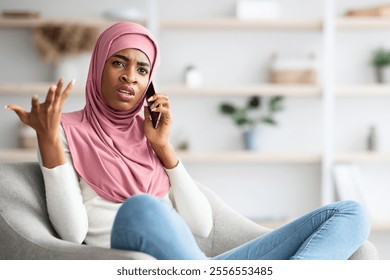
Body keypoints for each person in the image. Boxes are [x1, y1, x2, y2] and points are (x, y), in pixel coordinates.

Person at [6, 21, 371, 260]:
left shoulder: (150, 132)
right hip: (139, 254)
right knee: (143, 208)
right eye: (118, 63)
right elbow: (73, 233)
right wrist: (49, 141)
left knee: (351, 214)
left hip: (198, 265)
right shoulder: (64, 130)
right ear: (99, 65)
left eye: (142, 69)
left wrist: (164, 149)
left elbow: (201, 227)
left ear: (150, 82)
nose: (129, 77)